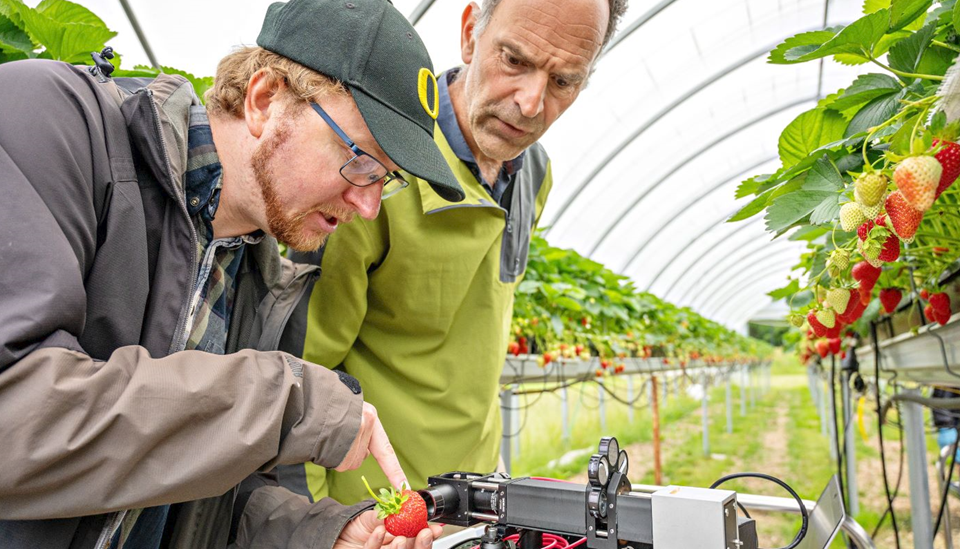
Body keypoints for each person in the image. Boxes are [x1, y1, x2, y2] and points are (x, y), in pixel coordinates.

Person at [0, 0, 463, 547]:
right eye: (360, 159)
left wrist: (319, 534)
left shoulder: (264, 274)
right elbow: (17, 417)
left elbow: (205, 493)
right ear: (265, 100)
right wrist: (285, 400)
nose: (367, 206)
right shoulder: (47, 121)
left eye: (384, 179)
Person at [284, 0, 628, 504]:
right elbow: (300, 373)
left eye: (563, 81)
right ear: (470, 34)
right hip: (379, 510)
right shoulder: (377, 171)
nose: (532, 104)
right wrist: (315, 527)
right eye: (514, 60)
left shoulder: (533, 172)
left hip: (478, 497)